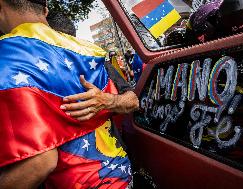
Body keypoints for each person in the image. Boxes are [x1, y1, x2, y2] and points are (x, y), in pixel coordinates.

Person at [0, 1, 139, 189]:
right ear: (45, 9)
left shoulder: (10, 60)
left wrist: (108, 100)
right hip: (118, 177)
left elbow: (39, 163)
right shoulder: (86, 53)